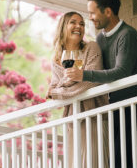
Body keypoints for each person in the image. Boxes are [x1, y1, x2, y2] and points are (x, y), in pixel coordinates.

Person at [65, 0, 137, 168]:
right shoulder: (100, 39)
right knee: (112, 158)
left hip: (135, 106)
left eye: (92, 12)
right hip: (113, 108)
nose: (90, 17)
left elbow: (121, 71)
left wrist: (84, 74)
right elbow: (96, 69)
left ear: (107, 11)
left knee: (127, 155)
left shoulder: (127, 35)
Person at [47, 11, 109, 168]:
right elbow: (59, 86)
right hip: (72, 119)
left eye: (82, 24)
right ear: (63, 27)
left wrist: (58, 90)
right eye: (73, 22)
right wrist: (72, 81)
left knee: (94, 162)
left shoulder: (91, 48)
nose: (78, 26)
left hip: (93, 114)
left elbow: (91, 83)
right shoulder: (56, 60)